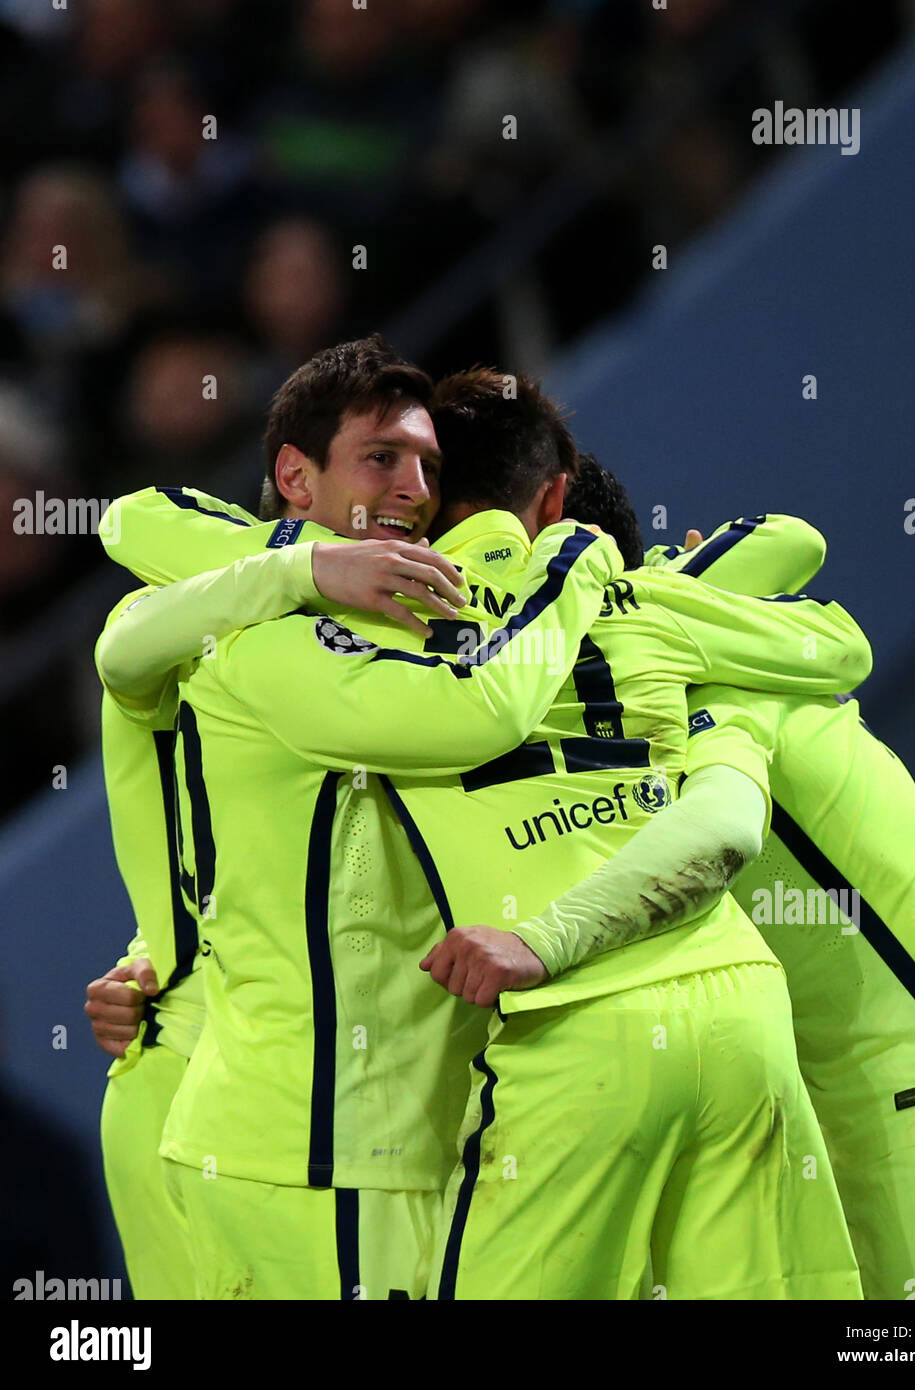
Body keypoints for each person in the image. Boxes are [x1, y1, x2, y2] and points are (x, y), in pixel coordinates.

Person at [95, 365, 870, 1299]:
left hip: (320, 1106)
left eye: (426, 465)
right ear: (298, 481)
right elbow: (133, 552)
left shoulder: (380, 617)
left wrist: (157, 947)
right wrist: (581, 572)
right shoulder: (274, 630)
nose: (410, 490)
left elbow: (239, 822)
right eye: (381, 459)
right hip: (305, 1134)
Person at [560, 456, 915, 1301]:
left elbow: (793, 546)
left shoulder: (691, 681)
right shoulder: (691, 633)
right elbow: (786, 547)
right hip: (881, 1103)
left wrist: (536, 944)